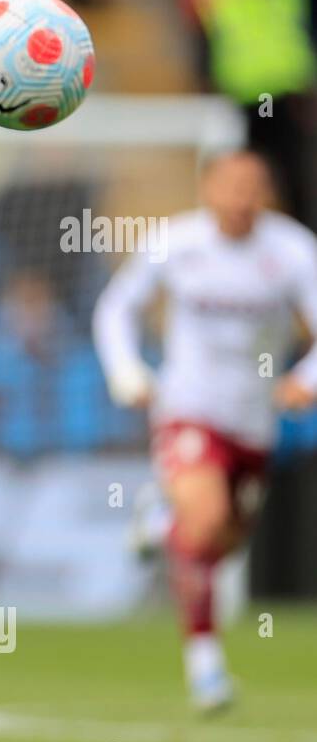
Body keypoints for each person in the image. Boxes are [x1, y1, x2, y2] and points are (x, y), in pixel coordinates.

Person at [93, 150, 317, 711]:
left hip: (254, 419)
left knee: (222, 541)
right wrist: (126, 370)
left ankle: (161, 517)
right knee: (209, 517)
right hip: (188, 406)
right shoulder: (176, 243)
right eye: (232, 186)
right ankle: (205, 667)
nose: (242, 200)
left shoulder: (291, 251)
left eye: (253, 188)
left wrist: (305, 378)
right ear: (207, 189)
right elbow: (116, 307)